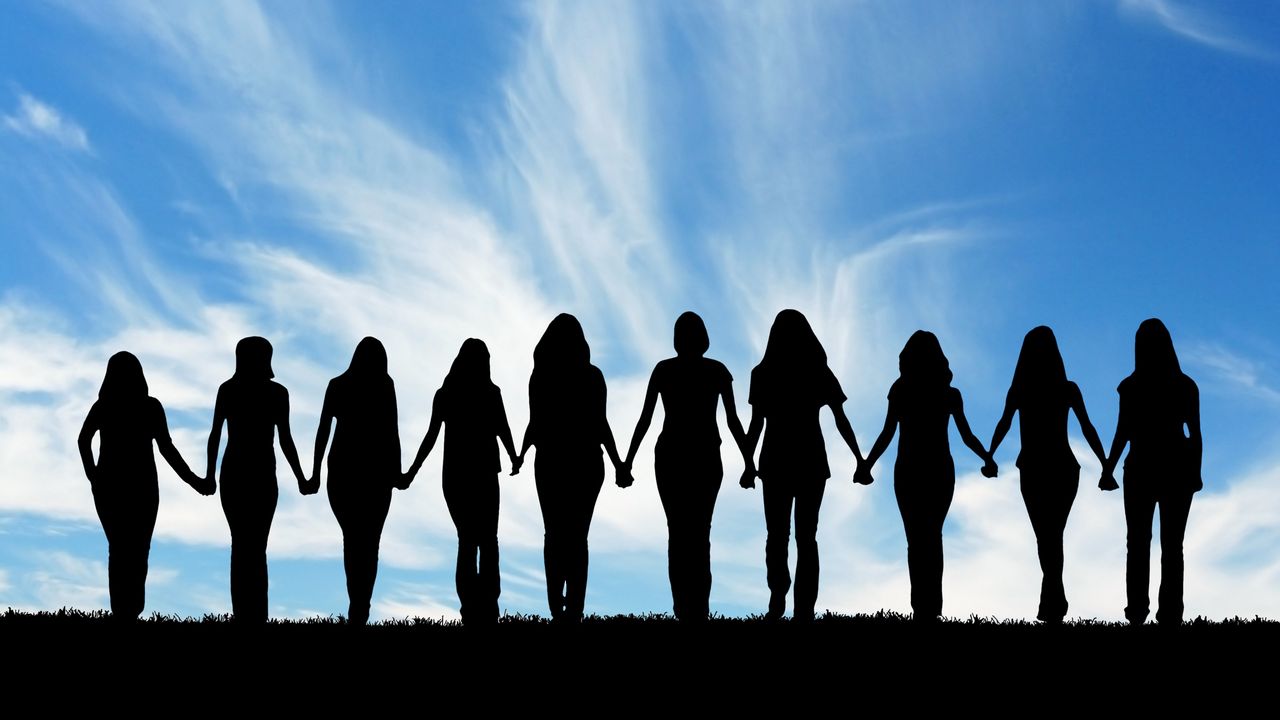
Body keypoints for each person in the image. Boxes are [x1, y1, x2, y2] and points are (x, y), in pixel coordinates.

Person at [622, 311, 753, 622]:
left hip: (675, 457)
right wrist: (748, 462)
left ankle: (685, 609)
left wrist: (627, 461)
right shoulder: (716, 371)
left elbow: (645, 420)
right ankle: (696, 611)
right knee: (697, 535)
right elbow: (733, 421)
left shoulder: (665, 370)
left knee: (679, 535)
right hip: (700, 456)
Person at [857, 330, 991, 622]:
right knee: (932, 537)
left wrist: (866, 463)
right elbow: (967, 436)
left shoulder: (902, 389)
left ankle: (922, 607)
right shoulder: (948, 393)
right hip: (939, 470)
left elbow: (887, 433)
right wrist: (987, 458)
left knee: (916, 541)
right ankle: (932, 607)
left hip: (909, 470)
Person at [741, 309, 863, 622]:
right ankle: (800, 608)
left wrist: (748, 462)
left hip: (778, 461)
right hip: (807, 461)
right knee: (804, 537)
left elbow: (756, 425)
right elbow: (840, 419)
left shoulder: (764, 373)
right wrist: (859, 459)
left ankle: (780, 602)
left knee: (778, 535)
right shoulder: (817, 372)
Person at [985, 326, 1107, 623]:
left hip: (1043, 469)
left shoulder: (1030, 390)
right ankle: (1055, 599)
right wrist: (1105, 464)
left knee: (1048, 536)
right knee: (1050, 536)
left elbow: (1087, 427)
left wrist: (1106, 464)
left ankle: (1053, 602)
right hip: (1053, 469)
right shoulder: (1060, 389)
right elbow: (1087, 427)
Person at [78, 351, 208, 621]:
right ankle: (129, 611)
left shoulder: (109, 406)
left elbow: (83, 441)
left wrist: (94, 476)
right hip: (136, 487)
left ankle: (125, 611)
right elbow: (167, 450)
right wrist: (194, 481)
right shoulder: (146, 407)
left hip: (118, 486)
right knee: (135, 550)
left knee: (122, 549)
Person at [516, 314, 626, 623]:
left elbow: (534, 423)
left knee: (554, 534)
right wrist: (618, 464)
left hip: (551, 461)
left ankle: (557, 607)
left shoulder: (541, 377)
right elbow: (601, 424)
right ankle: (574, 609)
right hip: (587, 463)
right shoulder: (592, 377)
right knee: (578, 537)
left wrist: (520, 455)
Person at [403, 338, 520, 626]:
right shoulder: (488, 393)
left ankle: (472, 608)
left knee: (469, 540)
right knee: (485, 540)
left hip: (457, 477)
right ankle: (486, 608)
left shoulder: (447, 394)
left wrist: (411, 472)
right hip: (479, 475)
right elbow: (502, 428)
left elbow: (431, 437)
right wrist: (513, 455)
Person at [1100, 318, 1202, 626]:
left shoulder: (1132, 387)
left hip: (1144, 468)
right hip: (1171, 468)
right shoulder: (1184, 386)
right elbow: (1194, 435)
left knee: (1140, 542)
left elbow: (1122, 433)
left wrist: (1108, 469)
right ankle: (1167, 614)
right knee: (1170, 546)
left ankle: (1139, 613)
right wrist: (1195, 472)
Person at [204, 336, 310, 624]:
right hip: (251, 473)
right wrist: (301, 477)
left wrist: (209, 475)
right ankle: (251, 616)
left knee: (245, 545)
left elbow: (284, 438)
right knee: (250, 545)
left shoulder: (231, 390)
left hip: (247, 473)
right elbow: (217, 434)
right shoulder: (271, 393)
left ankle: (249, 616)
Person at [310, 337, 402, 626]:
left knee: (354, 540)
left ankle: (358, 606)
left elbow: (324, 430)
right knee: (368, 542)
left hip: (348, 471)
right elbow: (391, 432)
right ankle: (361, 605)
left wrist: (314, 472)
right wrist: (397, 472)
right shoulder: (382, 386)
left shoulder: (340, 385)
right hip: (368, 472)